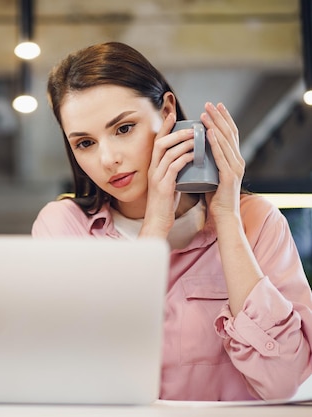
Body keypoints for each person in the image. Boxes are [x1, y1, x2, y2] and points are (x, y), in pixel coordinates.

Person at [32, 41, 312, 401]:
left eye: (123, 128)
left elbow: (286, 379)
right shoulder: (62, 228)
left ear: (166, 111)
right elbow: (78, 374)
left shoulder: (257, 221)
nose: (108, 159)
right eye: (85, 143)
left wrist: (226, 218)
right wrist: (156, 224)